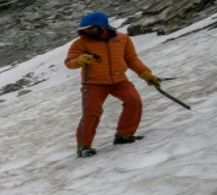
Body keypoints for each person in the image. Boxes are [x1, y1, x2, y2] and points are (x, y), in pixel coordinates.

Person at [64, 11, 161, 157]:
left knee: (134, 101)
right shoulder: (80, 43)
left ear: (102, 26)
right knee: (92, 113)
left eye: (91, 28)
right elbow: (69, 62)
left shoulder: (123, 39)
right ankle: (83, 147)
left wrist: (146, 74)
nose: (88, 31)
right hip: (93, 83)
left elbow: (131, 59)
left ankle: (124, 135)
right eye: (85, 29)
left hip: (119, 80)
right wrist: (78, 61)